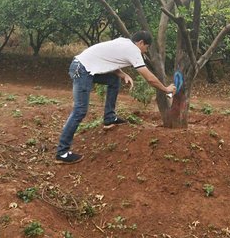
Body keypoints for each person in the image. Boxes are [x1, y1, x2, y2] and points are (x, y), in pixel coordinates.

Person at [55, 30, 176, 164]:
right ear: (141, 43)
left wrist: (123, 74)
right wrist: (166, 89)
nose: (145, 51)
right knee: (80, 110)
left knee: (114, 80)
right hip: (82, 69)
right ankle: (62, 152)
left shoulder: (123, 42)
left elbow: (107, 59)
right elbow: (149, 78)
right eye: (146, 48)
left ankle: (109, 117)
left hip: (83, 66)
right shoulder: (134, 51)